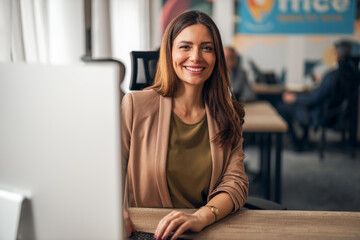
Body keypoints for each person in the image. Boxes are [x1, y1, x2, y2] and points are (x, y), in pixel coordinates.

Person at [121, 10, 249, 240]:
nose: (196, 57)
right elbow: (110, 174)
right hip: (149, 231)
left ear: (217, 56)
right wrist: (116, 212)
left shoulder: (228, 113)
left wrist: (201, 217)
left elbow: (235, 182)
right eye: (185, 46)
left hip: (205, 229)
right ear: (169, 53)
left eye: (207, 48)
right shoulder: (135, 106)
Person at [278, 40, 359, 150]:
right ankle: (303, 140)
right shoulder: (351, 74)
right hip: (337, 114)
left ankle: (296, 144)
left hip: (321, 114)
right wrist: (323, 83)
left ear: (336, 54)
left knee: (282, 108)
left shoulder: (330, 76)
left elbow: (313, 99)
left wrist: (294, 98)